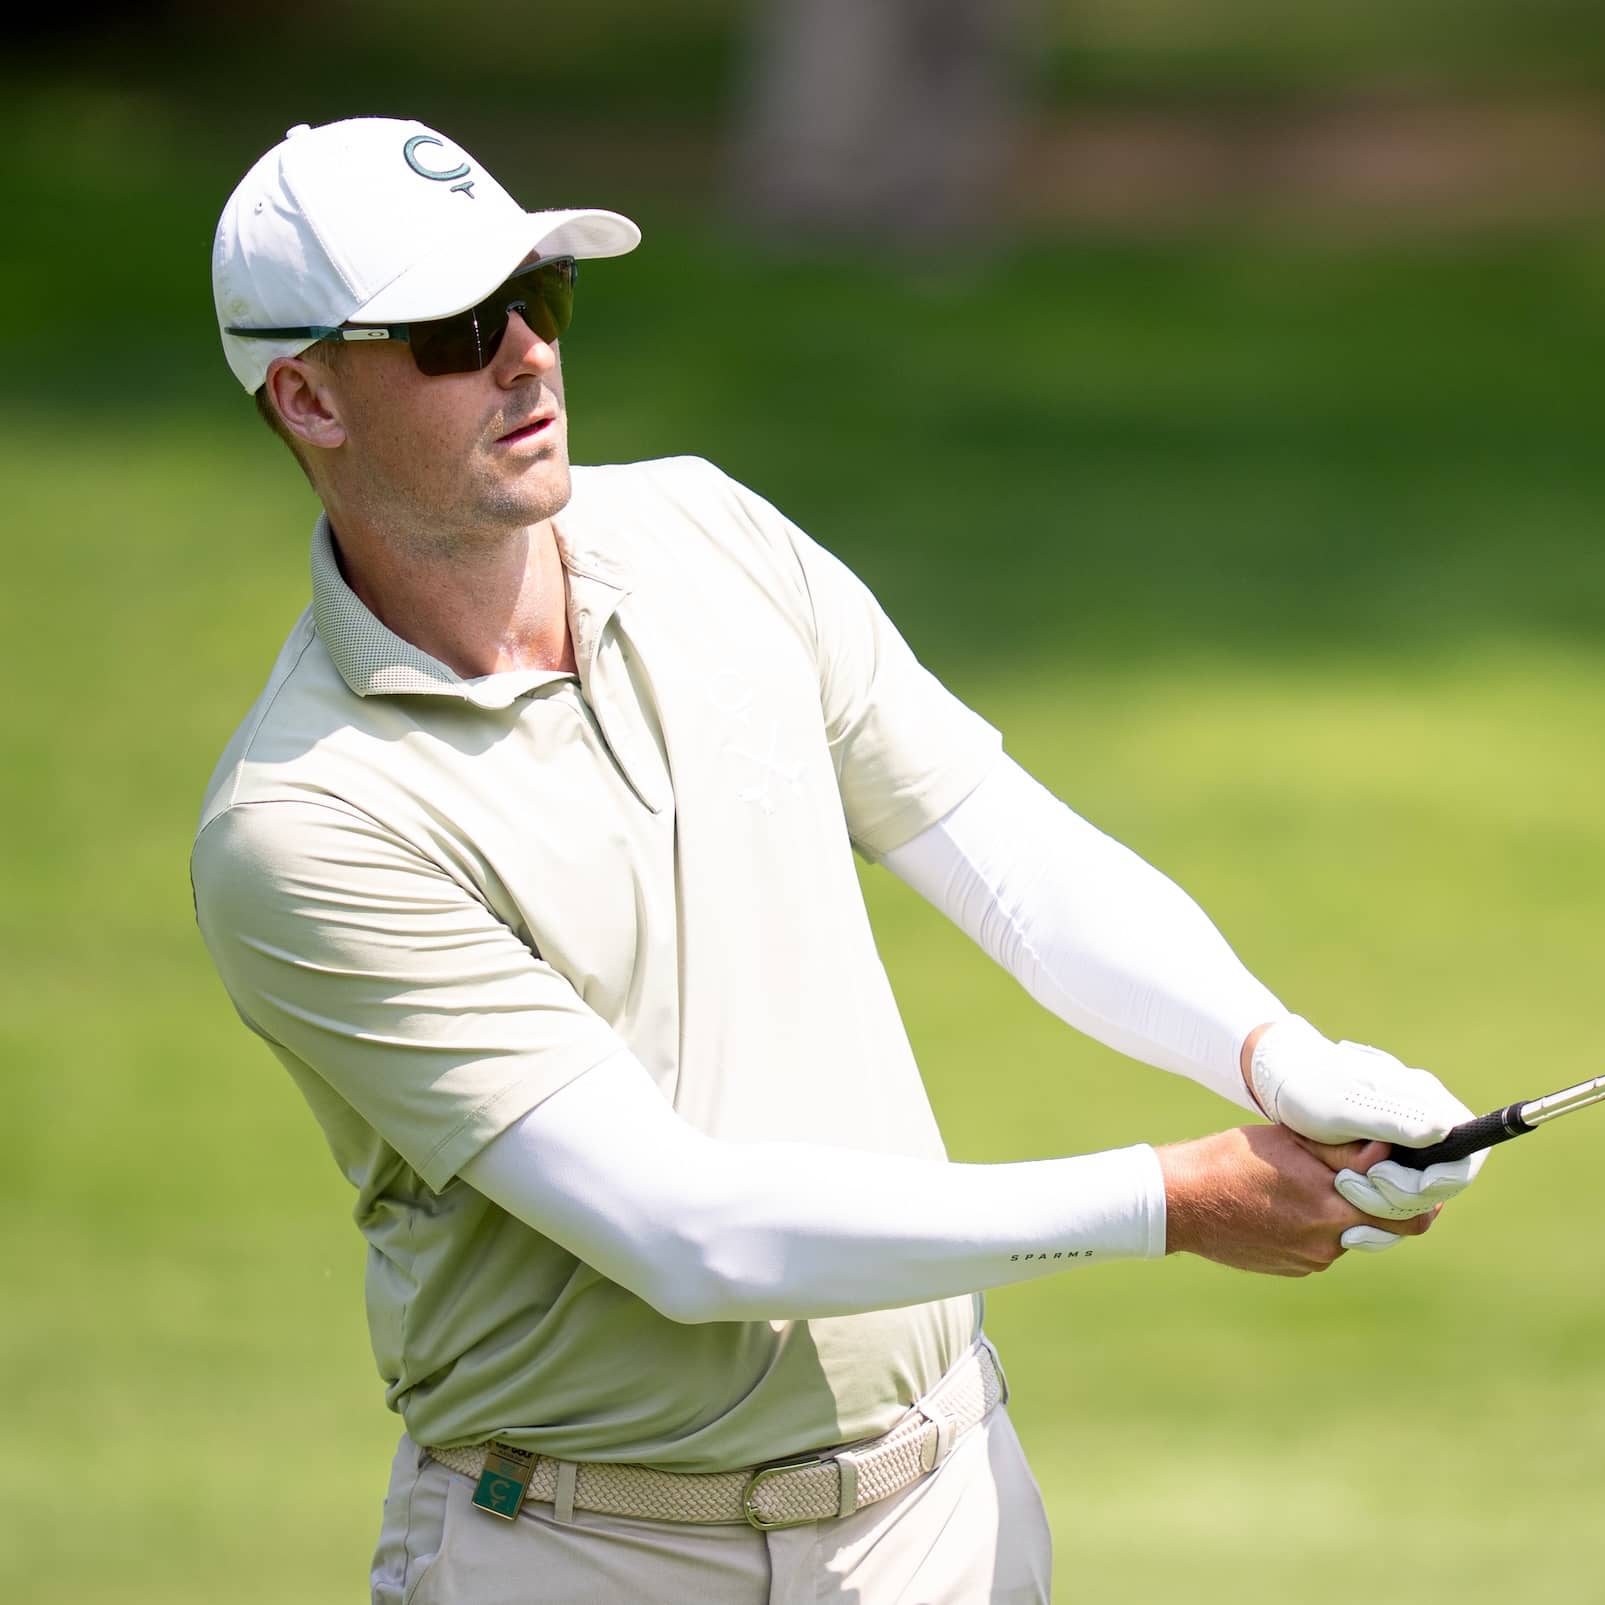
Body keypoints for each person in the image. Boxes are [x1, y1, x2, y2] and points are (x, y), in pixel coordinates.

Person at [191, 117, 1485, 1605]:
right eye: (454, 331)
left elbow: (1012, 859)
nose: (526, 356)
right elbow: (688, 1233)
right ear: (307, 395)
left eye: (539, 299)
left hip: (939, 1512)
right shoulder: (307, 823)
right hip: (585, 1548)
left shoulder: (710, 530)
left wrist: (1275, 1054)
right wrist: (1170, 1199)